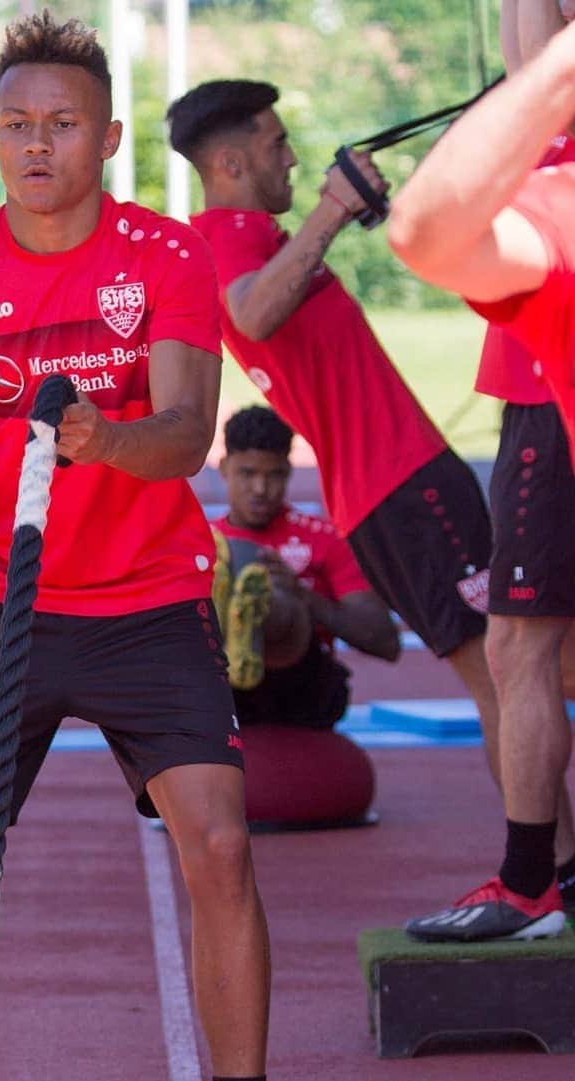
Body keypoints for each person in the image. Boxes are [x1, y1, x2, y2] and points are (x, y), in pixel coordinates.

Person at [0, 12, 270, 1081]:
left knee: (220, 848)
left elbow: (187, 438)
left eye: (64, 124)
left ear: (111, 137)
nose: (39, 145)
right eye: (16, 125)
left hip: (146, 608)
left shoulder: (167, 256)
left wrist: (107, 437)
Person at [165, 77, 508, 848]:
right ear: (229, 161)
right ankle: (543, 872)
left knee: (524, 671)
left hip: (393, 488)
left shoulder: (252, 238)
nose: (291, 158)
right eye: (275, 144)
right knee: (509, 681)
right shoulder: (226, 243)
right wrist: (333, 208)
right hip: (406, 484)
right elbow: (251, 309)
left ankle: (546, 870)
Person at [387, 5, 575, 940]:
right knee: (521, 649)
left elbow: (538, 68)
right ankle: (548, 873)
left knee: (519, 648)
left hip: (544, 391)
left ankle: (537, 878)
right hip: (535, 380)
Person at [212, 406, 399, 727]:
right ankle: (238, 615)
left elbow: (385, 642)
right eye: (247, 473)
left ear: (288, 470)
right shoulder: (202, 542)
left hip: (301, 688)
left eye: (273, 475)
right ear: (225, 468)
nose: (260, 489)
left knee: (277, 601)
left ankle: (261, 608)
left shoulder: (325, 539)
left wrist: (303, 594)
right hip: (221, 690)